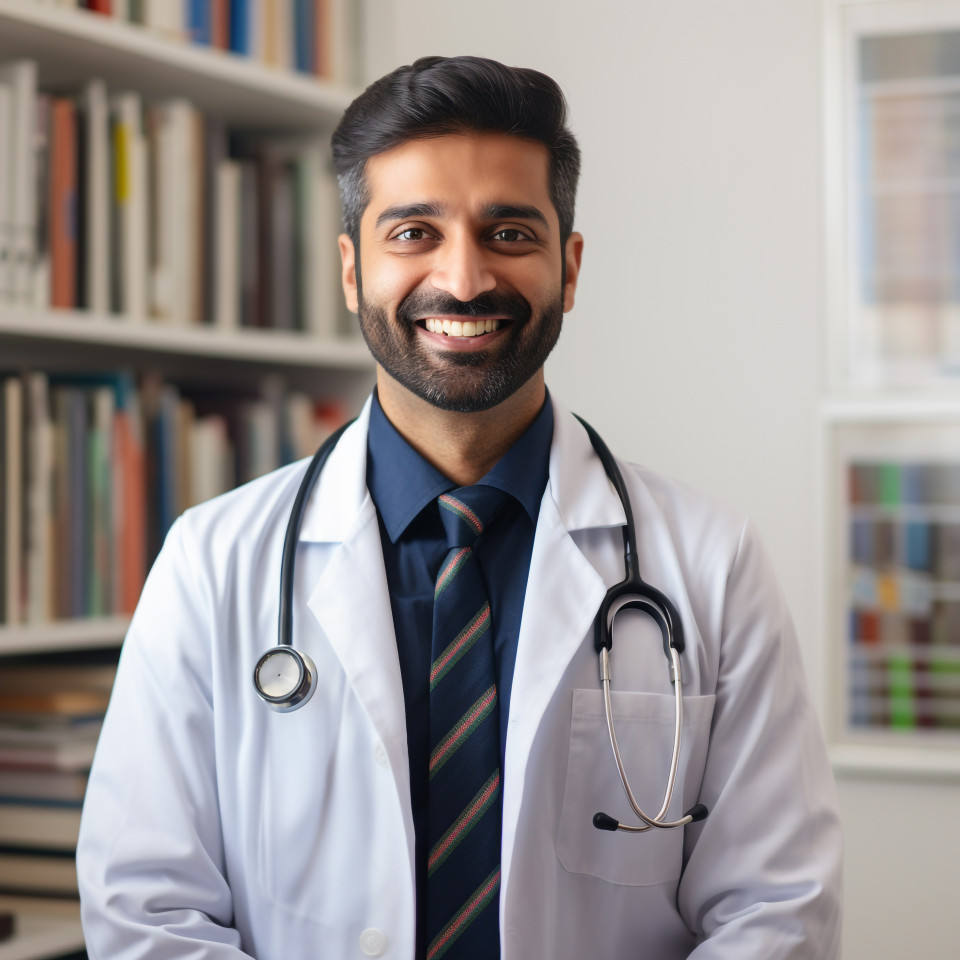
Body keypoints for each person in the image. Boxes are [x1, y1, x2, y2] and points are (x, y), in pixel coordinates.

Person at [77, 55, 842, 959]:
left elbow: (777, 913)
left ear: (571, 265)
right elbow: (146, 915)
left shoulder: (711, 562)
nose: (467, 279)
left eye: (510, 231)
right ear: (352, 269)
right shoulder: (210, 564)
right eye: (414, 232)